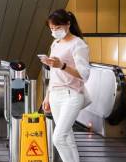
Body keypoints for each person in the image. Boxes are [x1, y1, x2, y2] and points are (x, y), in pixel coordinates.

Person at [40, 9, 90, 162]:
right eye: (52, 29)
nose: (55, 31)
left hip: (72, 94)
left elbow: (84, 74)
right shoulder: (55, 43)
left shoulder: (79, 44)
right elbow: (54, 75)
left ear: (68, 24)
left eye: (58, 28)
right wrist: (47, 97)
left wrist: (62, 65)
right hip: (55, 94)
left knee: (58, 138)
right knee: (67, 138)